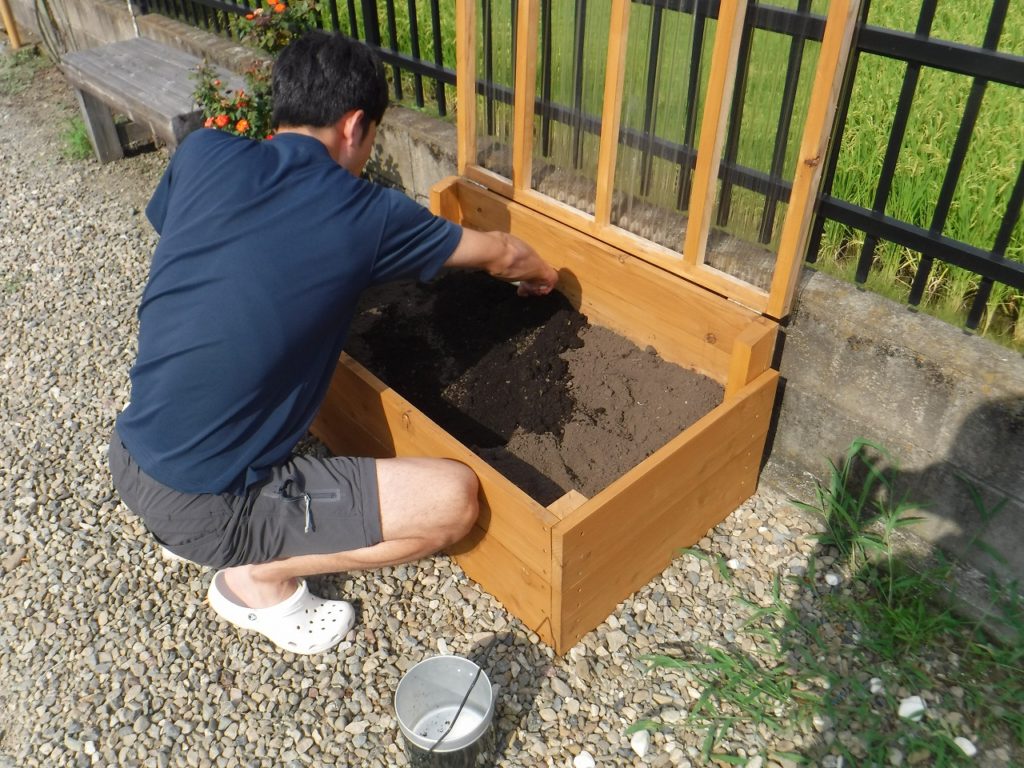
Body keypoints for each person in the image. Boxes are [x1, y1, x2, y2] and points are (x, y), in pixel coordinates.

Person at [108, 30, 558, 655]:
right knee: (453, 501)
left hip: (132, 447)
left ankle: (219, 532)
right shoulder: (365, 213)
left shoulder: (203, 152)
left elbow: (196, 251)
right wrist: (544, 276)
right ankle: (254, 581)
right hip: (207, 502)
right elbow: (501, 253)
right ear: (354, 127)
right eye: (372, 136)